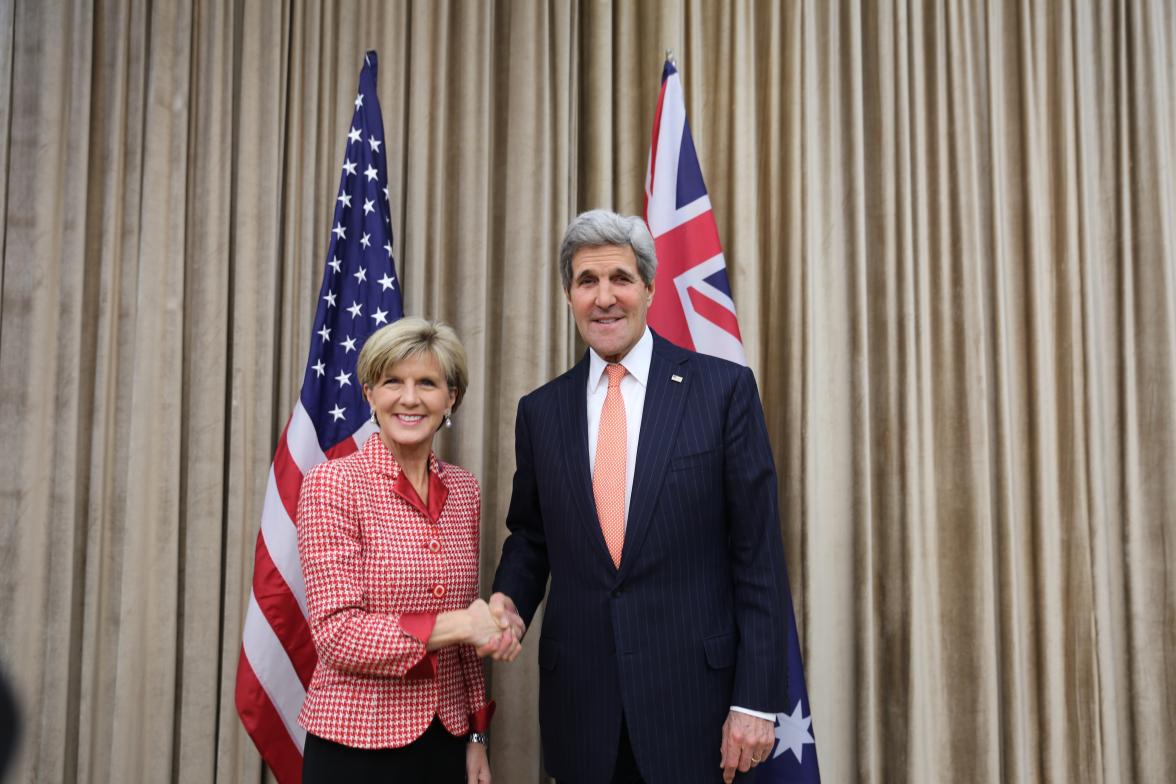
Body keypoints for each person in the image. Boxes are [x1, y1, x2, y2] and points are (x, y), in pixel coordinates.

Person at [487, 210, 793, 783]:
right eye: (587, 281)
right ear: (568, 295)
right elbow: (531, 536)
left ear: (650, 288)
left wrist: (754, 701)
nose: (605, 298)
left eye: (621, 279)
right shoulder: (541, 411)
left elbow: (758, 557)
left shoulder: (722, 391)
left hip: (696, 710)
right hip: (582, 708)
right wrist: (509, 602)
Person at [297, 317, 520, 784]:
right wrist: (463, 623)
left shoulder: (463, 490)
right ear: (369, 395)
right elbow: (338, 635)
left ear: (451, 398)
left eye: (427, 383)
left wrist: (477, 735)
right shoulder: (332, 484)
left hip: (446, 740)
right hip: (356, 742)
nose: (410, 398)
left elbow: (465, 639)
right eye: (392, 382)